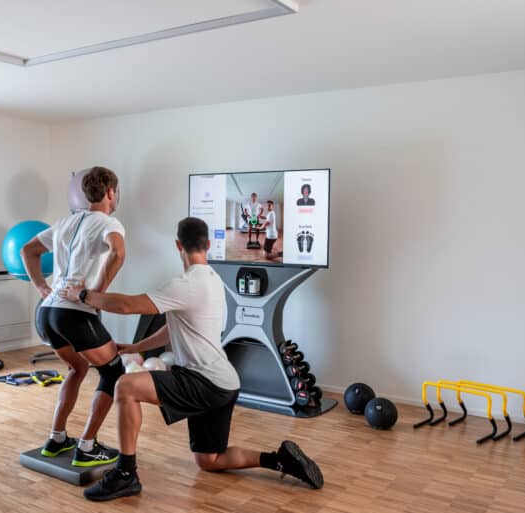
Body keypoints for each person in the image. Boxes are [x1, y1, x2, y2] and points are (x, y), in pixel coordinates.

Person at [60, 217, 324, 501]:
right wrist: (136, 345)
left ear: (178, 246)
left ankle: (126, 474)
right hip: (225, 383)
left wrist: (84, 295)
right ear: (208, 245)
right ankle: (279, 460)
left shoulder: (185, 284)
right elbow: (173, 329)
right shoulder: (212, 280)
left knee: (125, 387)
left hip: (203, 381)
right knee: (209, 460)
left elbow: (126, 305)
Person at [20, 166, 126, 467]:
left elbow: (28, 250)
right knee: (113, 373)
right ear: (110, 193)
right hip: (75, 313)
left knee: (78, 369)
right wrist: (97, 295)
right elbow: (118, 252)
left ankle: (56, 438)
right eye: (115, 192)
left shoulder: (65, 223)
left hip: (48, 312)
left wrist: (41, 286)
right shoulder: (109, 222)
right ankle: (87, 446)